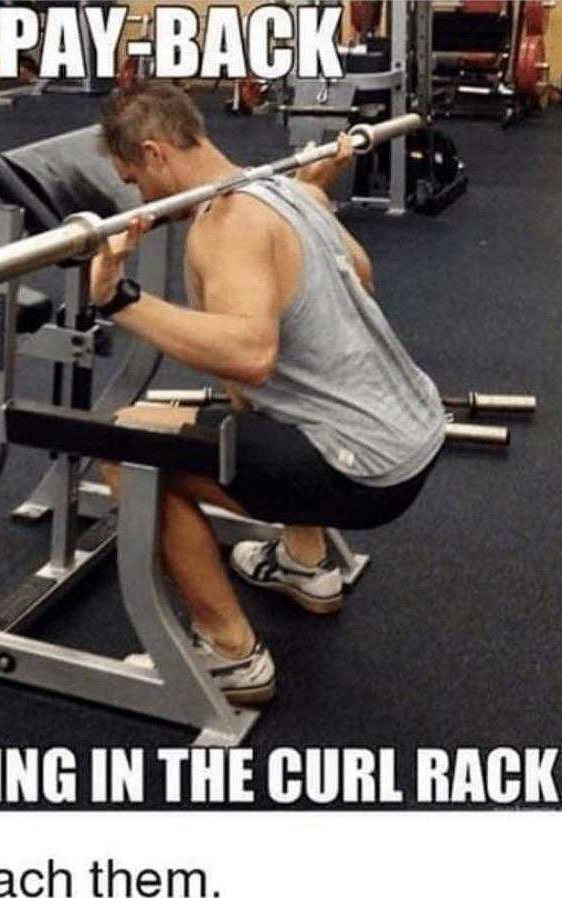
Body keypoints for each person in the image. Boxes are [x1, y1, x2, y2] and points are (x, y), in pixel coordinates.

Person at [90, 83, 445, 706]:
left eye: (132, 178)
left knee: (125, 442)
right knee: (249, 406)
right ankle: (305, 565)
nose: (137, 196)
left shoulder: (223, 221)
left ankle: (230, 653)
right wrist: (315, 203)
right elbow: (360, 274)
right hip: (413, 435)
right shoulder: (289, 188)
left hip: (363, 474)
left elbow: (250, 356)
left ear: (154, 155)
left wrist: (119, 299)